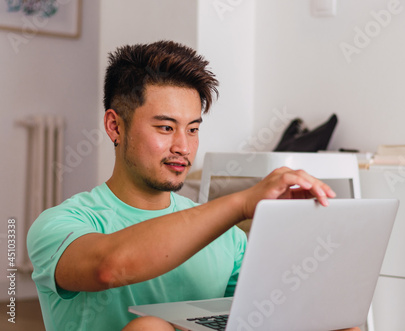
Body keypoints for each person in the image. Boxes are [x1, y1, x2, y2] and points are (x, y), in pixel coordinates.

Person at [27, 40, 359, 331]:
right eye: (166, 128)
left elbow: (261, 316)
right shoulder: (61, 225)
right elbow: (109, 267)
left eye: (193, 129)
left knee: (339, 324)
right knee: (150, 328)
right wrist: (241, 204)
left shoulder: (229, 239)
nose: (183, 148)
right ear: (115, 126)